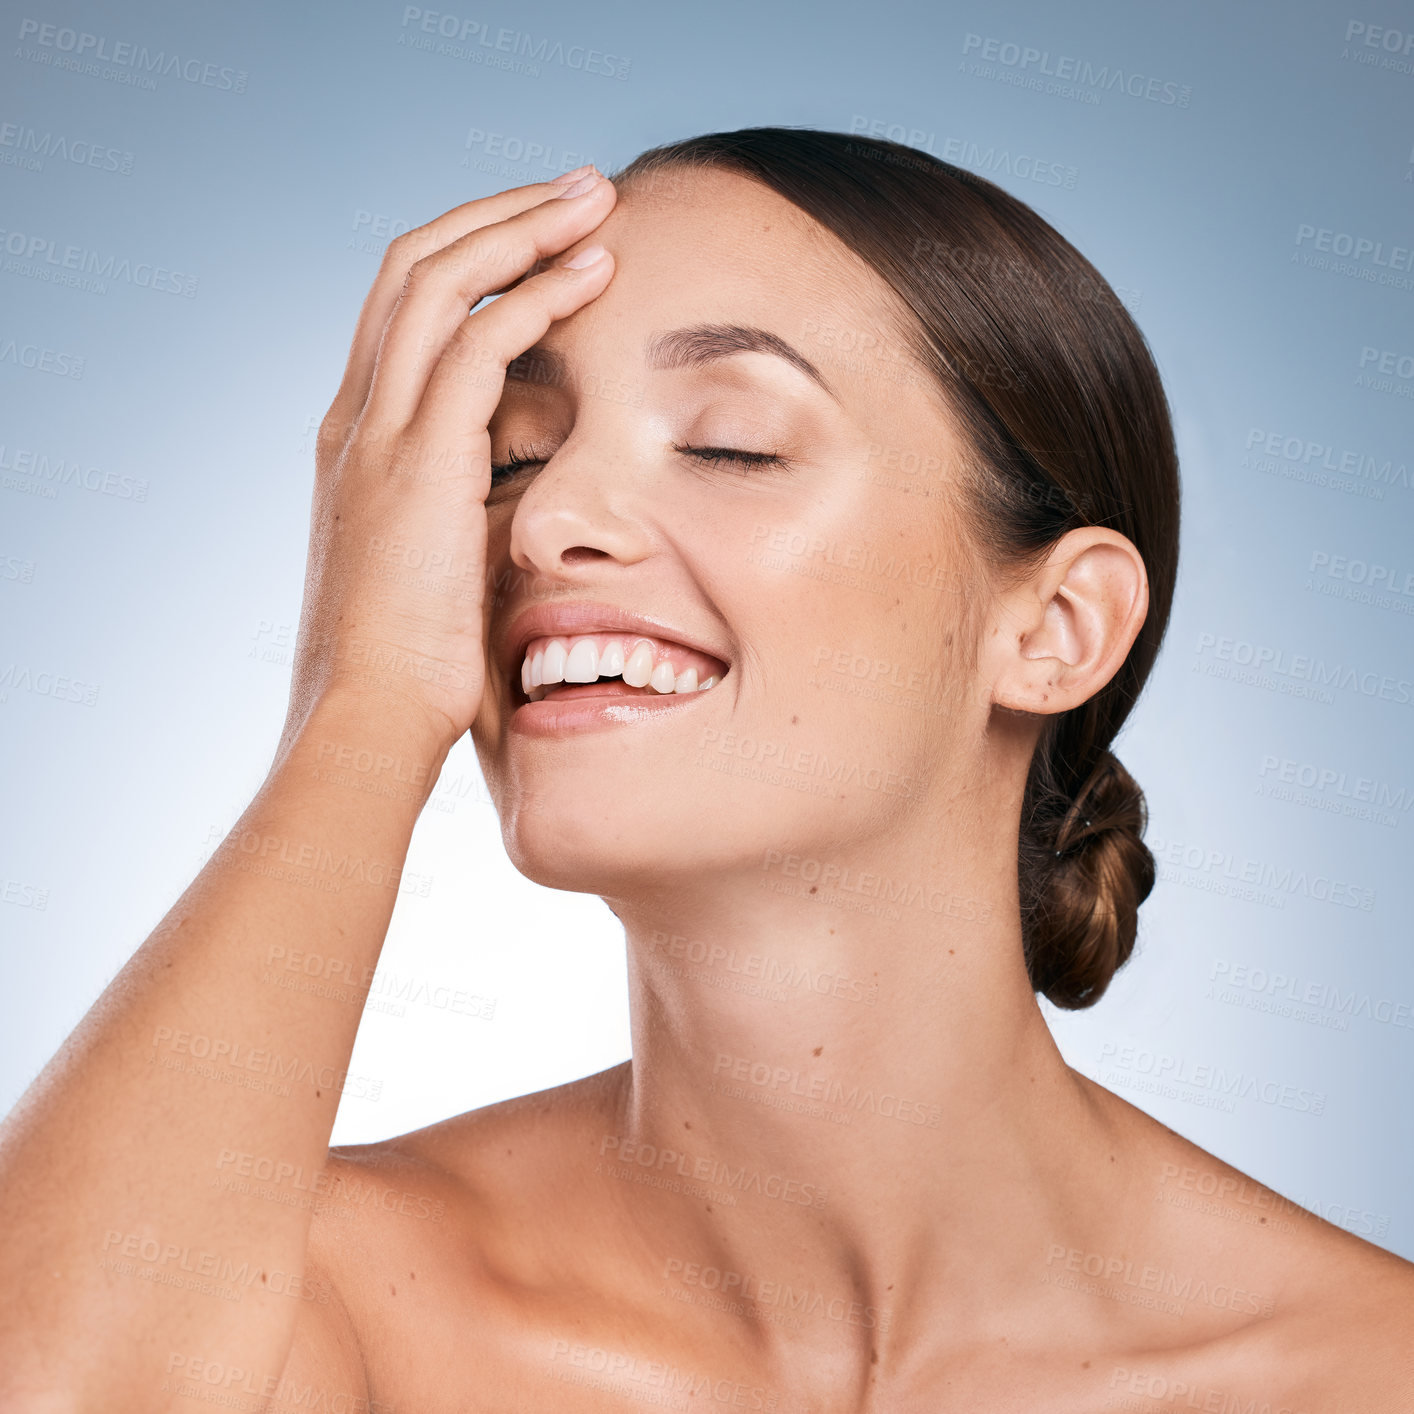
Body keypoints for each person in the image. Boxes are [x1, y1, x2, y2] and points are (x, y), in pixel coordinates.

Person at [1, 126, 1410, 1412]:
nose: (546, 520)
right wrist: (357, 707)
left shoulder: (1360, 1368)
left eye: (729, 442)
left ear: (1051, 629)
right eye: (508, 456)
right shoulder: (324, 1303)